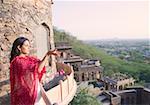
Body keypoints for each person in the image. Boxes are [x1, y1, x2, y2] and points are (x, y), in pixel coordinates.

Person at [10, 37, 59, 105]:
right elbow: (37, 69)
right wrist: (47, 55)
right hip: (27, 93)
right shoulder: (17, 61)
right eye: (26, 45)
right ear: (19, 47)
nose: (28, 48)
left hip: (34, 90)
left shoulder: (30, 59)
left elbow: (40, 67)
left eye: (29, 46)